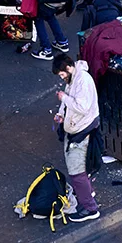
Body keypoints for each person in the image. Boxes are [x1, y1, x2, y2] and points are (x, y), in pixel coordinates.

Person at [52, 55, 101, 222]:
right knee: (80, 168)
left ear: (68, 68)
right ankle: (87, 193)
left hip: (81, 132)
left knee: (76, 172)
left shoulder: (83, 81)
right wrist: (61, 114)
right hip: (75, 129)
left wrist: (63, 99)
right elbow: (69, 102)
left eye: (62, 75)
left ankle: (90, 208)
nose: (62, 78)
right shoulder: (74, 79)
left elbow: (82, 106)